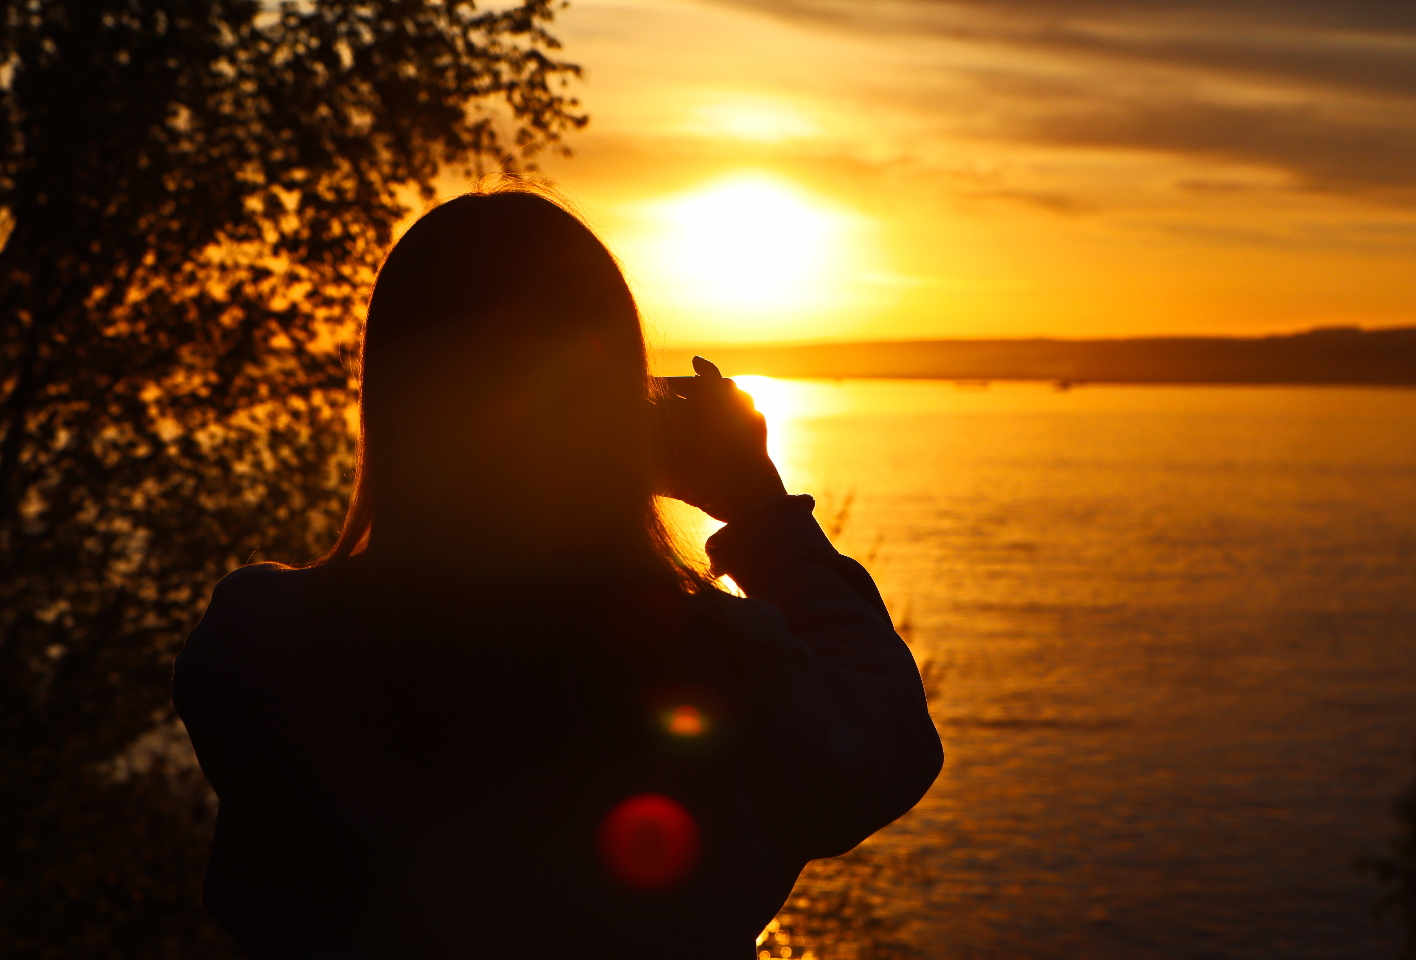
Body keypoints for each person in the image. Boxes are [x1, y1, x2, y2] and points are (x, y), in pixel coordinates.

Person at [173, 188, 943, 959]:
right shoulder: (722, 671)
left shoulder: (263, 647)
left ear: (393, 399)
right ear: (616, 413)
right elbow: (888, 730)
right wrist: (758, 506)